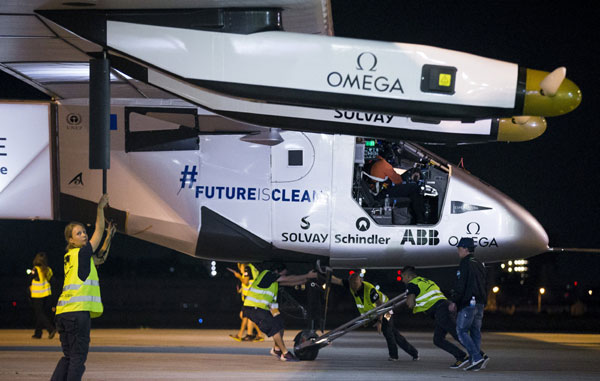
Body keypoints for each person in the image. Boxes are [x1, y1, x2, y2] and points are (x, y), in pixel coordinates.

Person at [51, 193, 113, 381]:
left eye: (84, 232)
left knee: (69, 357)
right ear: (71, 240)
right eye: (79, 233)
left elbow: (99, 259)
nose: (84, 235)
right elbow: (98, 231)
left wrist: (109, 237)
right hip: (77, 315)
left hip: (63, 314)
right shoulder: (82, 254)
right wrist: (100, 208)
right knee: (78, 358)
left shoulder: (71, 257)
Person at [331, 272, 419, 361]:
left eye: (355, 284)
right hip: (375, 312)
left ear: (360, 281)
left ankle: (394, 356)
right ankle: (414, 352)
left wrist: (379, 322)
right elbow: (336, 280)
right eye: (352, 284)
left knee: (388, 331)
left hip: (387, 309)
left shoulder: (370, 290)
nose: (353, 286)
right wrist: (325, 274)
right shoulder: (351, 285)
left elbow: (380, 306)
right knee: (394, 334)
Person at [242, 264, 316, 361]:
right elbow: (288, 279)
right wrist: (307, 275)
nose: (284, 276)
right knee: (275, 328)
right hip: (253, 308)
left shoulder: (273, 282)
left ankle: (277, 349)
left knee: (279, 324)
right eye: (283, 274)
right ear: (276, 271)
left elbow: (291, 282)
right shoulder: (267, 274)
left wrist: (307, 280)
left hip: (262, 308)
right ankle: (285, 353)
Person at [401, 266, 469, 369]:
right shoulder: (425, 280)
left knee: (457, 333)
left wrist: (408, 299)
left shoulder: (412, 284)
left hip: (441, 310)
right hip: (444, 307)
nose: (402, 280)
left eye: (403, 277)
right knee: (438, 339)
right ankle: (461, 356)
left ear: (408, 276)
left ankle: (479, 355)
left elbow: (410, 304)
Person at [449, 237, 490, 371]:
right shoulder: (479, 263)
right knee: (475, 331)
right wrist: (484, 300)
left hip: (468, 302)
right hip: (480, 302)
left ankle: (477, 357)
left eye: (459, 248)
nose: (458, 251)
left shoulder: (465, 263)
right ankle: (475, 361)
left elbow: (461, 284)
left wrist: (455, 300)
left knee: (461, 331)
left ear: (466, 249)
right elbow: (485, 284)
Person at [369, 149, 425, 223]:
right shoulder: (384, 165)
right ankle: (420, 218)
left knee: (412, 189)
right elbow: (398, 181)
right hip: (382, 194)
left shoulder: (375, 163)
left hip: (378, 192)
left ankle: (418, 218)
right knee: (414, 188)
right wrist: (410, 173)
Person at [227, 263, 264, 342]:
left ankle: (242, 334)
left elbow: (246, 282)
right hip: (252, 295)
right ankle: (256, 334)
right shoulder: (252, 267)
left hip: (250, 296)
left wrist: (238, 276)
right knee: (246, 316)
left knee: (245, 316)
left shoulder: (247, 269)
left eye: (239, 266)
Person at [29, 252, 57, 339]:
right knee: (41, 313)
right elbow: (53, 281)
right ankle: (38, 333)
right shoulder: (48, 269)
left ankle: (50, 329)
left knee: (39, 313)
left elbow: (30, 278)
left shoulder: (35, 269)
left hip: (37, 294)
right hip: (46, 294)